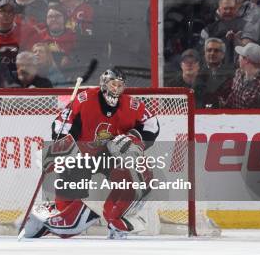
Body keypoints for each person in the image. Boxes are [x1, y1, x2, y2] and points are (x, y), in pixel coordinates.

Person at [22, 68, 160, 239]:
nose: (116, 89)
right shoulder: (85, 98)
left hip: (112, 154)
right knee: (70, 171)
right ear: (104, 84)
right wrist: (62, 142)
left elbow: (152, 124)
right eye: (112, 84)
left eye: (120, 85)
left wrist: (132, 138)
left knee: (138, 169)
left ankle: (118, 217)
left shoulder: (131, 104)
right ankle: (59, 212)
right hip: (84, 154)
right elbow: (61, 122)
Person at [220, 42, 260, 108]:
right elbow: (234, 95)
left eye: (240, 56)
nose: (238, 59)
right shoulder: (238, 74)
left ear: (246, 60)